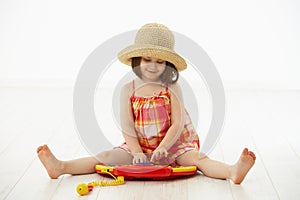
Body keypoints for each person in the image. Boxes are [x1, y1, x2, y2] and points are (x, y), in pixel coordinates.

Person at [37, 23, 256, 184]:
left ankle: (231, 171)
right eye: (147, 60)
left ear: (167, 65)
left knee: (198, 158)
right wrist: (137, 151)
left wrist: (163, 148)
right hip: (139, 146)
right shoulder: (127, 90)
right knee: (105, 157)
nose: (153, 66)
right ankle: (61, 167)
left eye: (160, 61)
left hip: (173, 145)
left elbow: (177, 124)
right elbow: (128, 126)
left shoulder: (172, 89)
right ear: (137, 60)